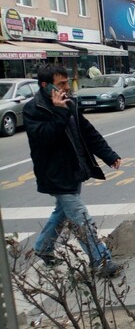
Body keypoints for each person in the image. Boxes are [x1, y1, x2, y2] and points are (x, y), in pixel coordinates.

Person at [23, 64, 122, 277]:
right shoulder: (33, 109)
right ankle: (102, 261)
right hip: (55, 175)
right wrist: (60, 112)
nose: (67, 87)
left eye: (67, 82)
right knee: (81, 218)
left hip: (74, 170)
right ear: (45, 85)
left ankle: (43, 248)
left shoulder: (70, 103)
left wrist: (109, 155)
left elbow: (88, 133)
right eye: (61, 84)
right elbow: (45, 137)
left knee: (62, 213)